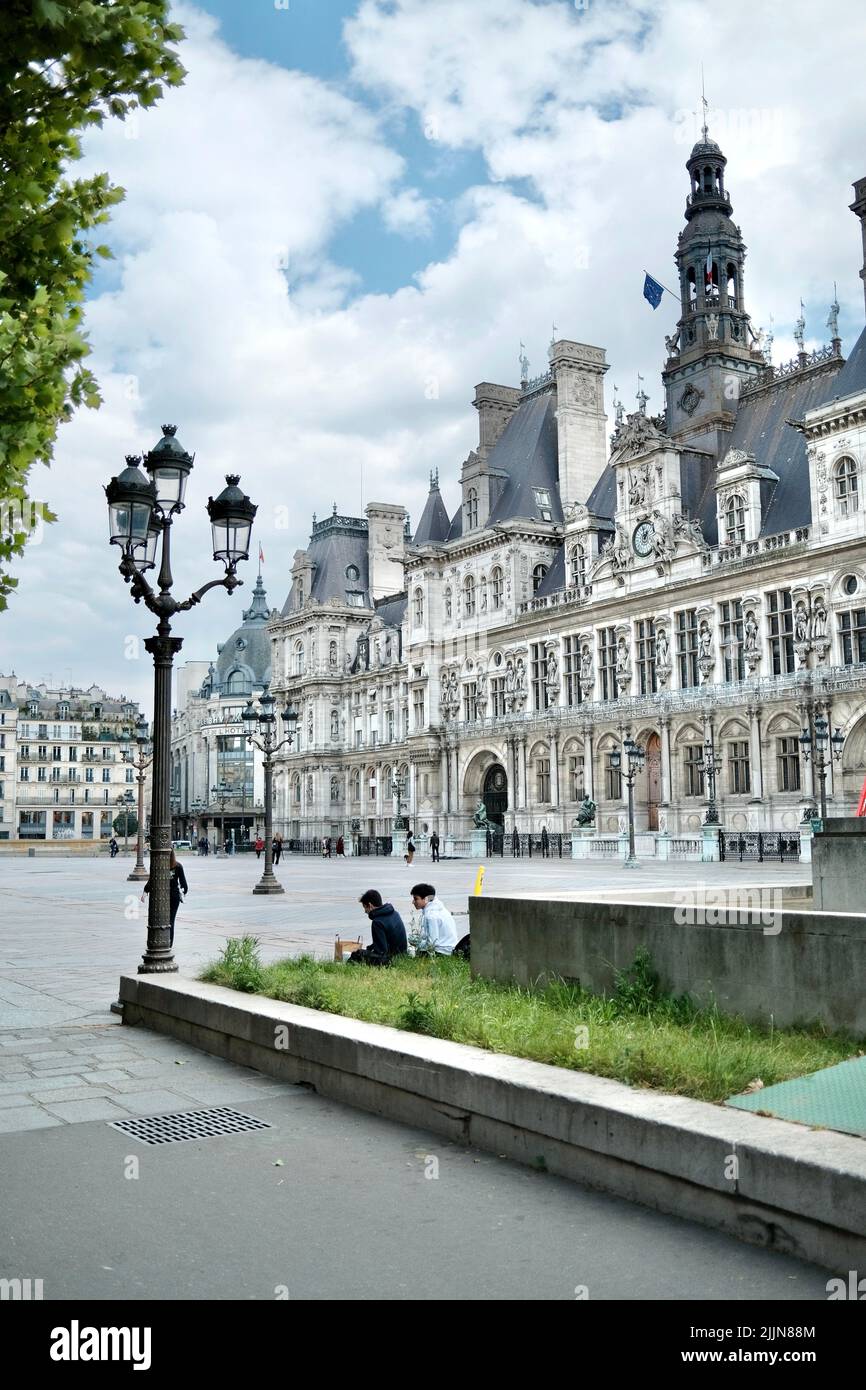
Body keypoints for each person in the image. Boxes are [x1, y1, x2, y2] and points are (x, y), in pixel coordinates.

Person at [348, 889, 408, 967]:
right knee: (367, 950)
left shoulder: (377, 922)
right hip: (402, 955)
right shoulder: (395, 913)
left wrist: (365, 953)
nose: (365, 911)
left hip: (390, 959)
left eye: (365, 908)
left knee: (357, 954)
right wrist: (370, 948)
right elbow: (386, 940)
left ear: (370, 905)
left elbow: (381, 952)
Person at [143, 849, 188, 949]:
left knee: (161, 920)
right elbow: (185, 886)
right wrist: (181, 894)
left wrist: (145, 891)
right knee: (171, 921)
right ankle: (169, 943)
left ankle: (159, 940)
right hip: (174, 897)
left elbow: (152, 880)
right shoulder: (178, 866)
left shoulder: (160, 866)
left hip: (161, 896)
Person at [410, 883, 459, 956]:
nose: (413, 902)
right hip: (450, 948)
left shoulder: (431, 915)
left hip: (442, 952)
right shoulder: (439, 907)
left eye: (416, 899)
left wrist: (416, 944)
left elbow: (432, 944)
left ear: (426, 899)